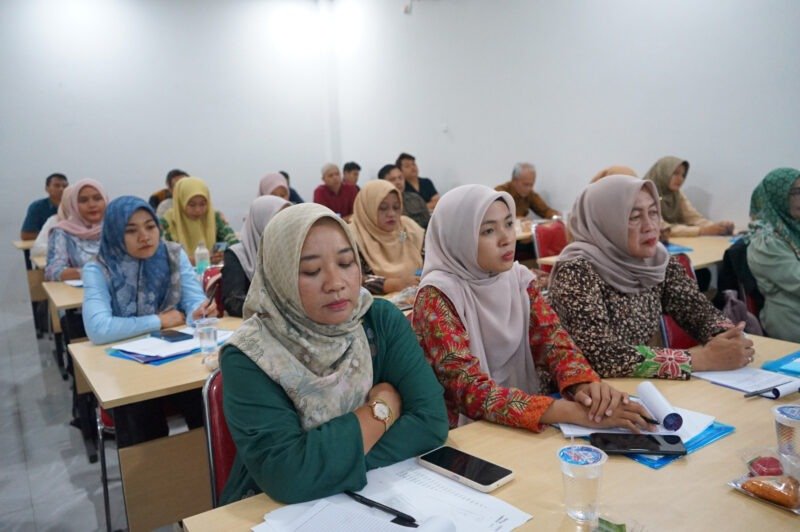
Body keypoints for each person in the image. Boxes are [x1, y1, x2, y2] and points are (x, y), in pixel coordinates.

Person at [219, 203, 448, 504]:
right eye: (311, 271)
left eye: (345, 263)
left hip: (383, 493)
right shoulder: (250, 355)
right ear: (279, 275)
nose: (336, 283)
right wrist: (381, 410)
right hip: (272, 512)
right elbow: (287, 475)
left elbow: (431, 422)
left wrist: (323, 467)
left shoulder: (378, 321)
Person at [413, 184, 652, 433]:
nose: (506, 238)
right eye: (488, 231)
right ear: (458, 238)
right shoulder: (437, 295)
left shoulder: (518, 279)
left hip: (526, 422)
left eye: (508, 224)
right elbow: (468, 390)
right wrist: (568, 412)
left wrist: (586, 389)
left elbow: (555, 344)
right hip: (463, 435)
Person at [548, 175, 754, 379]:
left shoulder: (657, 262)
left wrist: (728, 337)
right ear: (605, 223)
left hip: (635, 385)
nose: (650, 226)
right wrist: (700, 359)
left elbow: (699, 312)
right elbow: (601, 356)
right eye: (635, 217)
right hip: (583, 390)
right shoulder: (577, 270)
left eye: (654, 212)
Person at [82, 196, 215, 445]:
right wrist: (159, 321)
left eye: (150, 226)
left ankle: (207, 463)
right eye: (131, 231)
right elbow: (98, 329)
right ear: (115, 233)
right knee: (140, 418)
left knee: (208, 401)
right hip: (127, 368)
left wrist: (197, 313)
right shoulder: (99, 268)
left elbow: (194, 301)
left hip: (178, 358)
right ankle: (150, 468)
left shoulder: (173, 254)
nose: (145, 237)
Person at [747, 168, 800, 342]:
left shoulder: (793, 227)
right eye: (796, 192)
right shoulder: (766, 242)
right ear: (776, 197)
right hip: (791, 322)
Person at [351, 180, 424, 295]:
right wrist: (393, 284)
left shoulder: (406, 229)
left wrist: (421, 276)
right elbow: (352, 278)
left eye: (396, 207)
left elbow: (430, 261)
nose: (391, 214)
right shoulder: (353, 237)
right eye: (383, 208)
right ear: (367, 208)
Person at [222, 196, 291, 317]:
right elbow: (233, 301)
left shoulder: (290, 250)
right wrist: (272, 310)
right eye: (277, 219)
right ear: (261, 220)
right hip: (254, 322)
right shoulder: (237, 254)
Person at [644, 156, 734, 237]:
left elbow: (693, 217)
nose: (680, 179)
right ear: (663, 173)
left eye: (683, 175)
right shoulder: (645, 193)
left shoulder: (676, 194)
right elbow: (661, 227)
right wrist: (702, 231)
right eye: (675, 173)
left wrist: (719, 227)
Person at [160, 176, 239, 265]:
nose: (198, 210)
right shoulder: (167, 222)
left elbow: (234, 243)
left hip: (212, 270)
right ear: (181, 202)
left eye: (202, 204)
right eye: (192, 205)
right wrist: (196, 261)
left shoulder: (213, 217)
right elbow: (163, 254)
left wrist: (222, 254)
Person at [45, 179, 108, 281]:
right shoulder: (62, 232)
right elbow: (53, 271)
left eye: (97, 199)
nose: (92, 205)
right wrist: (89, 273)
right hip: (79, 289)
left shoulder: (115, 228)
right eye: (83, 200)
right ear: (73, 205)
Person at [494, 162, 559, 219]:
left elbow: (545, 211)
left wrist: (556, 216)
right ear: (514, 180)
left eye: (531, 184)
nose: (529, 188)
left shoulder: (530, 194)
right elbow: (497, 218)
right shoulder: (500, 194)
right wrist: (518, 220)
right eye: (526, 184)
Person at [378, 163, 430, 229]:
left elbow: (429, 222)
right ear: (382, 183)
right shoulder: (379, 204)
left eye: (400, 178)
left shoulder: (415, 198)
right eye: (392, 179)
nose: (398, 182)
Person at [21, 173, 68, 240]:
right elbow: (26, 235)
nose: (61, 189)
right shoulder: (37, 207)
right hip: (44, 245)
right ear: (47, 189)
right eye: (57, 186)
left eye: (65, 186)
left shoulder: (75, 206)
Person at [32, 185, 74, 258]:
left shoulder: (94, 223)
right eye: (83, 200)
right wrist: (63, 250)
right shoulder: (55, 221)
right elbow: (37, 248)